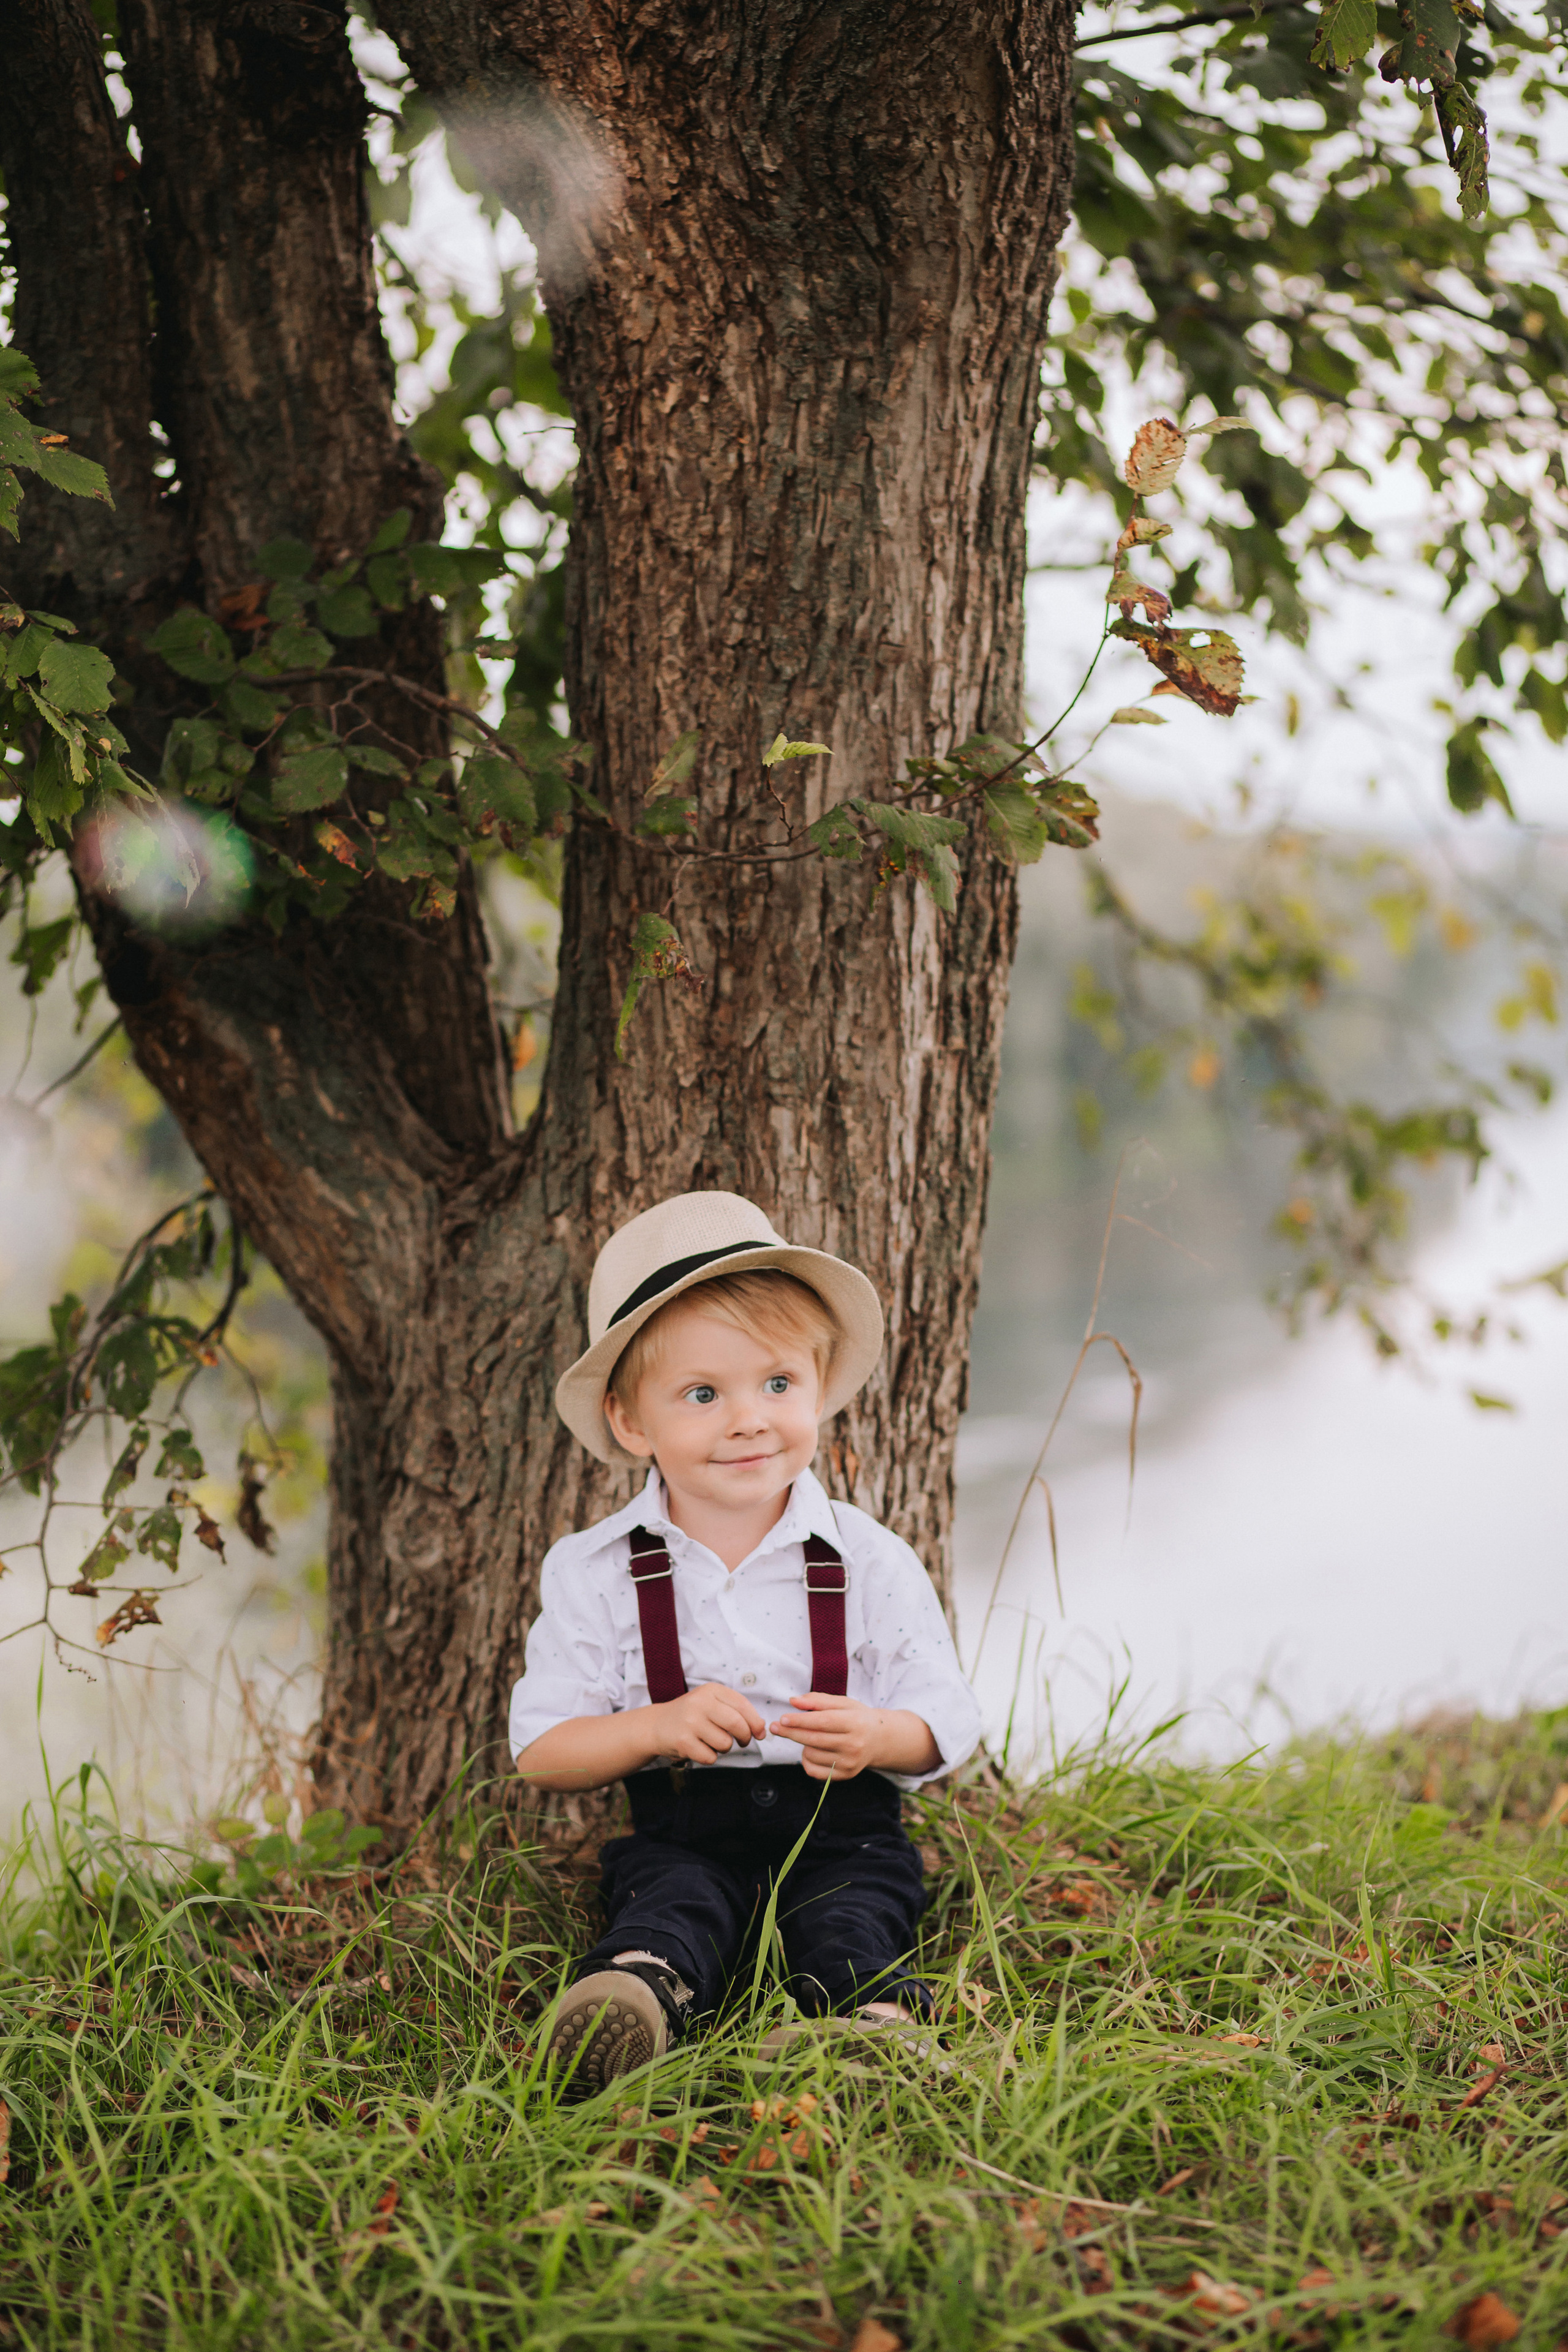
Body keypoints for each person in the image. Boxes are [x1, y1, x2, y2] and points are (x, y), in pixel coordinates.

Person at [510, 1189, 982, 2093]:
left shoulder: (866, 1559)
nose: (749, 1419)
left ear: (815, 1385)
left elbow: (945, 1715)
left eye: (777, 1384)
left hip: (841, 1831)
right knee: (666, 1907)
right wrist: (654, 1727)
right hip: (684, 1828)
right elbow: (541, 1749)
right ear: (631, 1421)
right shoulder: (598, 1570)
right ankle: (635, 2003)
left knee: (856, 1917)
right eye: (702, 1394)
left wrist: (879, 1737)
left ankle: (865, 2031)